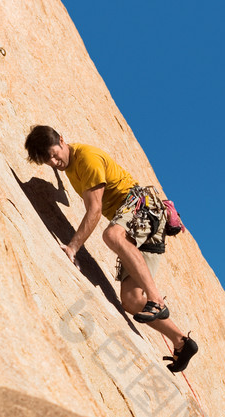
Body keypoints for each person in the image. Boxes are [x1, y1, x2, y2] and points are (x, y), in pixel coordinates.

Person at [24, 125, 198, 373]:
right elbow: (64, 180)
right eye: (48, 161)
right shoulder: (70, 165)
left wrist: (72, 248)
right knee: (131, 300)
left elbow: (94, 210)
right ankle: (182, 341)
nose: (54, 162)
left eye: (54, 154)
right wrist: (59, 180)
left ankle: (156, 300)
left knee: (112, 234)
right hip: (141, 226)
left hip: (142, 209)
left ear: (63, 139)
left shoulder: (87, 159)